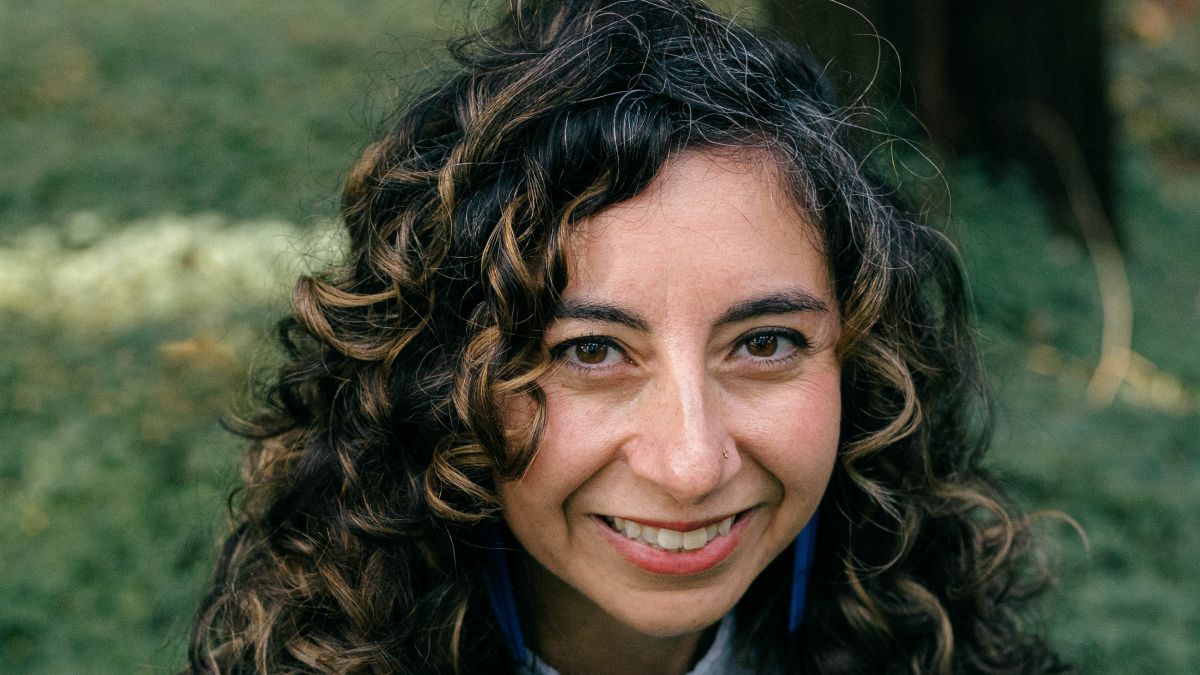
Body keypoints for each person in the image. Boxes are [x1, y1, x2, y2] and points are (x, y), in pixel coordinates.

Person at [188, 1, 1067, 672]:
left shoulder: (931, 639)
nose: (691, 466)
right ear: (439, 378)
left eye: (765, 343)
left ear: (863, 358)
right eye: (591, 350)